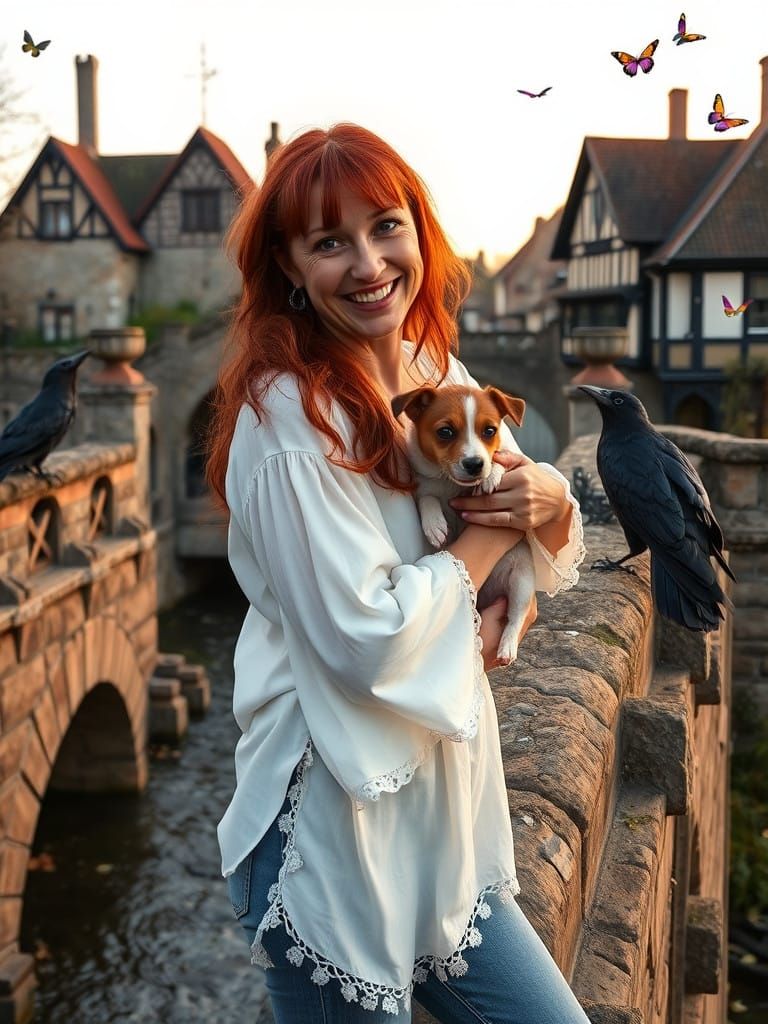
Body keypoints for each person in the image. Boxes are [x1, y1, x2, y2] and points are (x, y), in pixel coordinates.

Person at [205, 122, 590, 1023]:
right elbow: (365, 640)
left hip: (438, 819)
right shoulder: (288, 421)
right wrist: (496, 542)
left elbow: (530, 502)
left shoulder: (430, 370)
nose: (369, 262)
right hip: (330, 828)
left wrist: (543, 513)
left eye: (386, 226)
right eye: (329, 241)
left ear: (420, 231)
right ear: (291, 267)